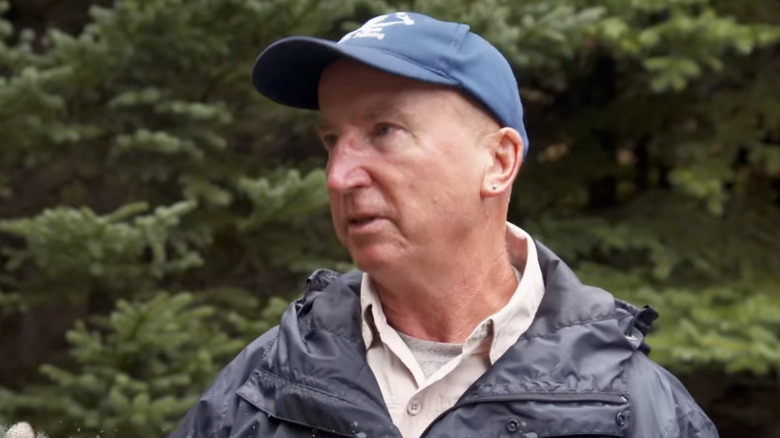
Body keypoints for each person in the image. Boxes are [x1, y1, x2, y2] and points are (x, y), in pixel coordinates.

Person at [169, 12, 718, 438]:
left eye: (384, 130)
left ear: (498, 162)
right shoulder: (260, 388)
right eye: (332, 140)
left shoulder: (632, 407)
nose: (339, 176)